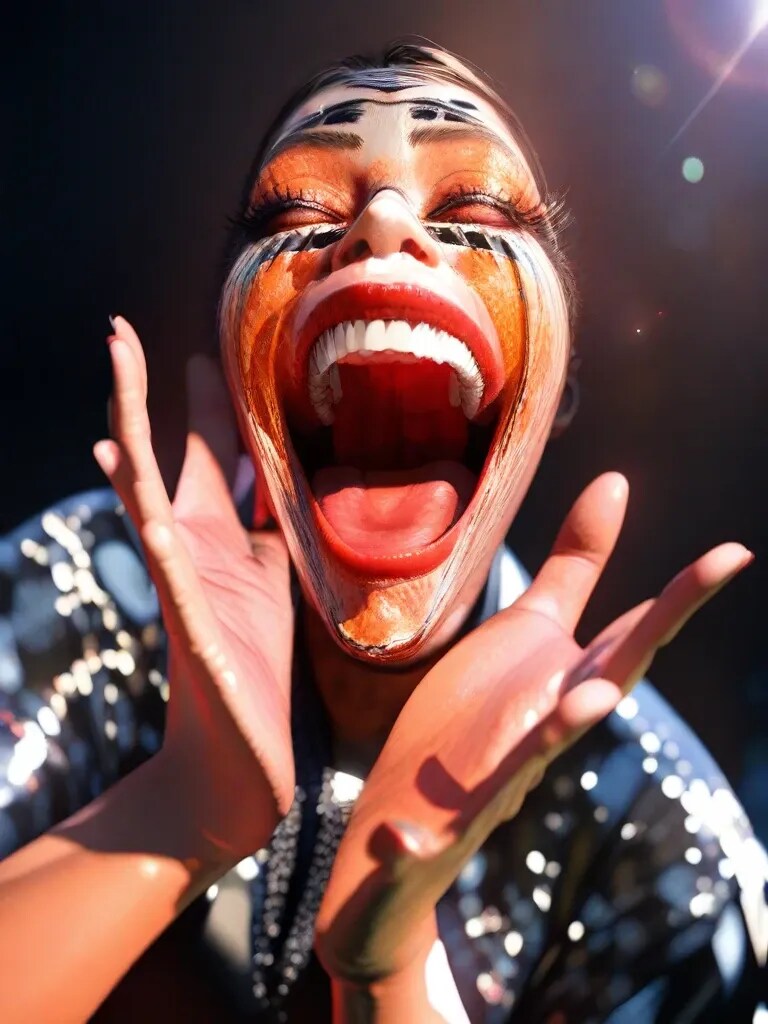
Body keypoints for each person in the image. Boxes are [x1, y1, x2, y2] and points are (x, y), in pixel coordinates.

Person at [0, 41, 764, 1024]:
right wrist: (185, 807)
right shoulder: (89, 596)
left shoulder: (650, 826)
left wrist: (387, 970)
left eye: (478, 208)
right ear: (234, 364)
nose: (384, 223)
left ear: (563, 381)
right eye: (296, 212)